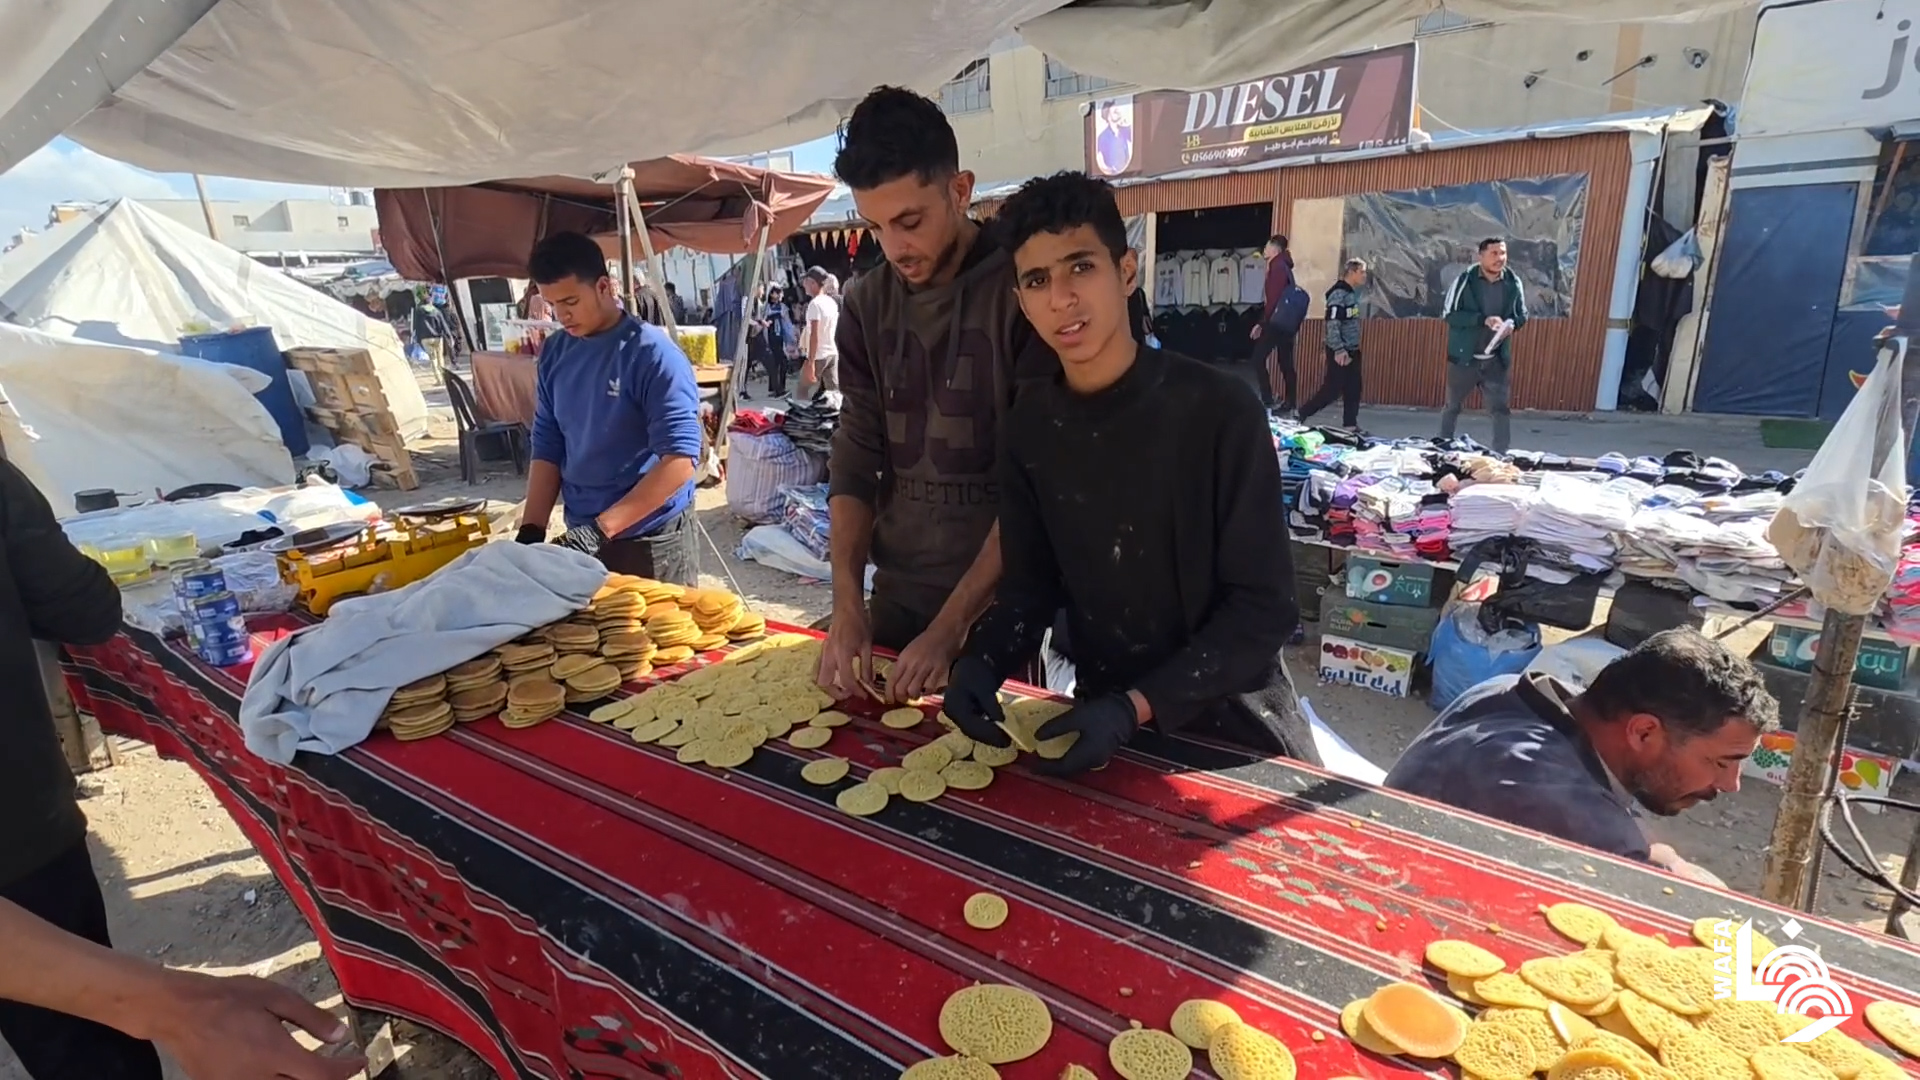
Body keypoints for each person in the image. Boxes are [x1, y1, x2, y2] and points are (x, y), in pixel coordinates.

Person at [0, 459, 362, 1080]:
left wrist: (173, 1007)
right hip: (21, 824)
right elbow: (82, 610)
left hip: (23, 825)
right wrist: (174, 1008)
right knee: (80, 1048)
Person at [940, 171, 1312, 774]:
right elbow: (1030, 589)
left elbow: (1266, 609)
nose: (1061, 298)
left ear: (1127, 271)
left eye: (1080, 267)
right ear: (1021, 301)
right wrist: (981, 662)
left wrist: (1135, 706)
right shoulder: (1031, 426)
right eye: (1037, 280)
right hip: (1102, 729)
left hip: (1237, 733)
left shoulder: (1219, 410)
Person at [819, 85, 1059, 705]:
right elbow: (856, 453)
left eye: (910, 222)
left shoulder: (1025, 289)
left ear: (960, 190)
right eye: (875, 227)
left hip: (1005, 608)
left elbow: (1040, 483)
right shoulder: (866, 304)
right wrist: (846, 603)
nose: (894, 248)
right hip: (899, 590)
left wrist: (952, 628)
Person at [1384, 629, 1776, 887]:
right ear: (1643, 731)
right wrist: (1672, 864)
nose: (1731, 784)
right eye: (1721, 762)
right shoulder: (1552, 798)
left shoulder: (1509, 689)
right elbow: (1678, 897)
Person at [514, 231, 704, 583]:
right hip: (582, 531)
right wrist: (531, 529)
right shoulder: (556, 352)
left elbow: (680, 461)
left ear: (604, 286)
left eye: (570, 301)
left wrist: (601, 530)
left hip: (651, 538)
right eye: (552, 304)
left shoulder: (652, 354)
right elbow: (548, 444)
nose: (561, 314)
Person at [1438, 237, 1528, 452]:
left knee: (1500, 410)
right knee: (1452, 406)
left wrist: (1512, 325)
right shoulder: (1465, 280)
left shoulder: (1512, 281)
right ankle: (1442, 448)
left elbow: (1522, 315)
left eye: (1503, 253)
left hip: (1496, 359)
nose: (1500, 258)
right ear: (1481, 256)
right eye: (1494, 253)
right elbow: (1449, 315)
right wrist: (1482, 320)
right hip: (1464, 359)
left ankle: (1500, 454)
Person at [1297, 258, 1369, 431]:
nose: (1364, 276)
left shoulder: (1350, 294)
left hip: (1351, 349)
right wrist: (1338, 349)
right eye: (1361, 272)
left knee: (1354, 387)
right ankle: (1301, 414)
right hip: (1341, 351)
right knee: (1332, 390)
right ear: (1351, 272)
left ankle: (1350, 425)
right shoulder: (1339, 294)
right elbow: (1333, 323)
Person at [1249, 235, 1298, 413]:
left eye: (1267, 246)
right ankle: (1290, 402)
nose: (1264, 250)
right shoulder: (1285, 265)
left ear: (1275, 249)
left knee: (1258, 358)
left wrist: (1262, 323)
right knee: (1285, 362)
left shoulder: (1277, 267)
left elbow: (1274, 299)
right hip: (1287, 321)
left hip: (1276, 321)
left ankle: (1267, 400)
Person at [796, 266, 841, 400]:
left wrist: (810, 362)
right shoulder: (831, 302)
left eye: (806, 282)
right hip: (832, 352)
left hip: (818, 355)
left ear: (813, 283)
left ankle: (803, 413)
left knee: (802, 392)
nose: (804, 285)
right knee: (833, 394)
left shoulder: (814, 305)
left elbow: (814, 335)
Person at [761, 284, 796, 397]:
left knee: (779, 363)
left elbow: (787, 325)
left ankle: (777, 387)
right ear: (771, 294)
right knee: (779, 362)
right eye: (778, 293)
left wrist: (791, 339)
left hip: (780, 337)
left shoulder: (783, 307)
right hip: (771, 338)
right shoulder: (766, 308)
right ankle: (778, 389)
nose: (781, 295)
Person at [411, 292, 454, 369]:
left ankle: (437, 375)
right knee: (440, 357)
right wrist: (449, 336)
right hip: (437, 338)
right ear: (430, 302)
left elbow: (416, 325)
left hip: (425, 339)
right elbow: (443, 324)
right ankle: (443, 374)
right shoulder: (436, 311)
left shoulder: (418, 312)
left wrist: (418, 338)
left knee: (433, 358)